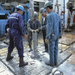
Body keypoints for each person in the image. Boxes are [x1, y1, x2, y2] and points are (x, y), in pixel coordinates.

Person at [44, 1, 62, 66]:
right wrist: (60, 34)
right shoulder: (57, 15)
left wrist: (47, 36)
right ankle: (55, 61)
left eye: (46, 9)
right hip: (57, 35)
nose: (46, 10)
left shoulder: (49, 16)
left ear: (48, 8)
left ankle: (51, 62)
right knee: (56, 48)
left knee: (51, 49)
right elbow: (60, 25)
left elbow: (49, 28)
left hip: (51, 36)